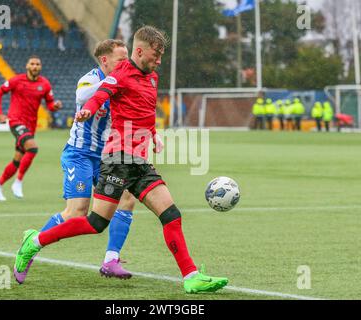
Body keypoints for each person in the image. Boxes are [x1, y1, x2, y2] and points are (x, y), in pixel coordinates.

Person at [13, 26, 228, 294]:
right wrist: (87, 111)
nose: (158, 60)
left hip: (139, 161)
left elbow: (145, 112)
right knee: (95, 223)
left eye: (161, 55)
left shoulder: (152, 78)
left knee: (171, 215)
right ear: (139, 51)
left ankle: (191, 276)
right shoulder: (121, 74)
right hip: (116, 160)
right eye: (155, 55)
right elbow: (100, 95)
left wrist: (153, 135)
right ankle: (35, 241)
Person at [29, 40, 136, 284]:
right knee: (77, 212)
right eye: (121, 60)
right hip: (80, 153)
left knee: (127, 198)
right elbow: (82, 95)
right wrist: (114, 80)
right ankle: (32, 245)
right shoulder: (90, 79)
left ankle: (111, 260)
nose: (126, 64)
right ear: (104, 61)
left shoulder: (123, 83)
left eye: (127, 59)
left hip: (107, 156)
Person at [0, 55, 62, 201]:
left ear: (40, 67)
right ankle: (18, 182)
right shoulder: (16, 80)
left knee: (17, 160)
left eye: (37, 64)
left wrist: (54, 107)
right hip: (16, 121)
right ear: (27, 66)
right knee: (33, 148)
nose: (35, 66)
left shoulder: (45, 84)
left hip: (31, 125)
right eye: (32, 64)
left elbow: (49, 104)